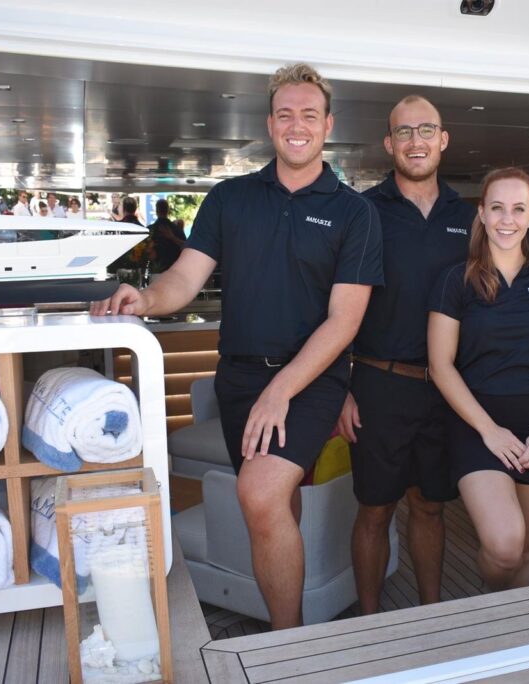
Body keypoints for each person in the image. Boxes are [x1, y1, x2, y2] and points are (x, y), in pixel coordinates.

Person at [90, 63, 382, 629]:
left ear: (328, 125)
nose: (297, 125)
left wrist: (279, 392)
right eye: (285, 114)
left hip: (311, 379)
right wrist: (142, 299)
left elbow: (344, 322)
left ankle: (286, 641)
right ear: (270, 123)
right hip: (239, 379)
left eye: (309, 115)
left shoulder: (355, 212)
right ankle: (293, 610)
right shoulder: (229, 199)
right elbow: (182, 281)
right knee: (278, 502)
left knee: (258, 492)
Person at [338, 95, 474, 614]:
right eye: (404, 132)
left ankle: (431, 615)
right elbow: (333, 305)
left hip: (446, 389)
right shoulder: (362, 212)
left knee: (430, 506)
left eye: (426, 130)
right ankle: (371, 621)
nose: (415, 141)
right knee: (374, 510)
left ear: (443, 139)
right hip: (377, 384)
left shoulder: (469, 217)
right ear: (388, 143)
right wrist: (339, 389)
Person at [428, 167, 529, 591]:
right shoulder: (455, 280)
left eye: (518, 209)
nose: (507, 219)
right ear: (481, 213)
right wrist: (489, 431)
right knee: (506, 545)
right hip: (478, 428)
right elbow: (440, 365)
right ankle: (491, 612)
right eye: (497, 208)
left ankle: (520, 640)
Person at [148, 198, 186, 271]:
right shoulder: (177, 230)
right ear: (168, 210)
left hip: (154, 270)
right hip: (174, 270)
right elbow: (186, 246)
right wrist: (173, 238)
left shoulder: (150, 230)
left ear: (156, 211)